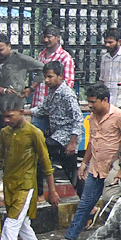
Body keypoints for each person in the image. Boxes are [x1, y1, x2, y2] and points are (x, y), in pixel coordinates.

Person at [49, 83, 121, 240]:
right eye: (88, 102)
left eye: (92, 102)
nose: (89, 106)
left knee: (109, 202)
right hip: (96, 168)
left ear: (105, 100)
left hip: (114, 169)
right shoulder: (92, 117)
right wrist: (84, 163)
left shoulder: (120, 116)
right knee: (84, 204)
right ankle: (69, 239)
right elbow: (92, 141)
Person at [0, 96, 59, 240]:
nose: (6, 120)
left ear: (21, 112)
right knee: (22, 224)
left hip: (26, 186)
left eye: (10, 116)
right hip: (9, 186)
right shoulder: (4, 133)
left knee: (11, 224)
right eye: (4, 117)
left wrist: (52, 191)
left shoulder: (34, 133)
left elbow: (46, 165)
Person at [33, 60, 82, 193]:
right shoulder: (52, 92)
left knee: (39, 156)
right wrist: (22, 112)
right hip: (57, 135)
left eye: (50, 76)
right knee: (71, 171)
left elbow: (78, 119)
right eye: (45, 77)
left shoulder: (67, 94)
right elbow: (42, 109)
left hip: (65, 136)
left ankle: (40, 194)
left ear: (60, 76)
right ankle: (87, 202)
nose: (47, 80)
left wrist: (72, 142)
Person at [31, 26, 72, 109]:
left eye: (49, 37)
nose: (46, 40)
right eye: (44, 37)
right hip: (38, 104)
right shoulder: (41, 55)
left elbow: (68, 83)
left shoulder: (65, 58)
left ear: (57, 37)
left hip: (53, 107)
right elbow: (39, 77)